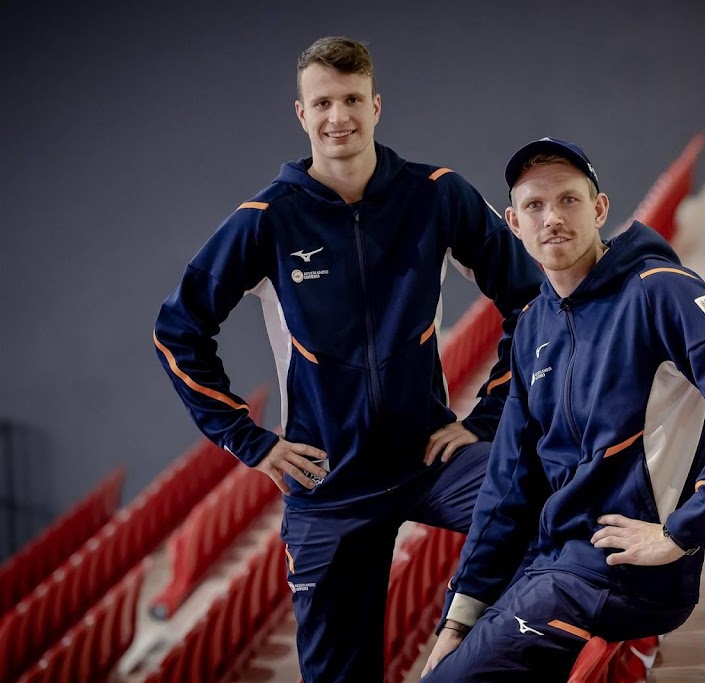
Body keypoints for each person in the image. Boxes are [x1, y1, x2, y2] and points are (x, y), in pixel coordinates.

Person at [153, 37, 542, 682]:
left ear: (377, 105)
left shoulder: (435, 195)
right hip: (327, 485)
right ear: (301, 115)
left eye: (353, 100)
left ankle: (466, 654)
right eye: (324, 102)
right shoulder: (267, 220)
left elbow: (531, 304)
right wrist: (251, 442)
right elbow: (177, 329)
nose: (340, 116)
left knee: (541, 503)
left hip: (426, 459)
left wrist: (486, 418)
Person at [421, 138, 705, 680]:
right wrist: (457, 620)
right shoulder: (533, 326)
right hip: (557, 563)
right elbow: (508, 486)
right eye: (535, 206)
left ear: (599, 209)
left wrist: (679, 532)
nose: (553, 218)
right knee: (446, 663)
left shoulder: (660, 293)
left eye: (569, 201)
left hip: (624, 574)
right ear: (513, 223)